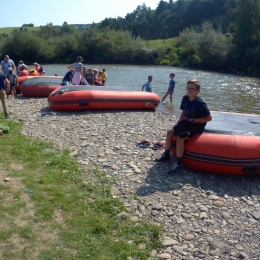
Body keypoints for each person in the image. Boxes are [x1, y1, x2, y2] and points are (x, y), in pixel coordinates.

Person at [156, 79, 212, 174]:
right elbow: (183, 112)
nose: (189, 90)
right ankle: (166, 155)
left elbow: (209, 118)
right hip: (187, 122)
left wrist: (194, 120)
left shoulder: (200, 103)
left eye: (192, 89)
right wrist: (180, 123)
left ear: (198, 91)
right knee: (170, 132)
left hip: (197, 125)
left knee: (180, 137)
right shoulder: (185, 98)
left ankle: (179, 163)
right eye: (188, 88)